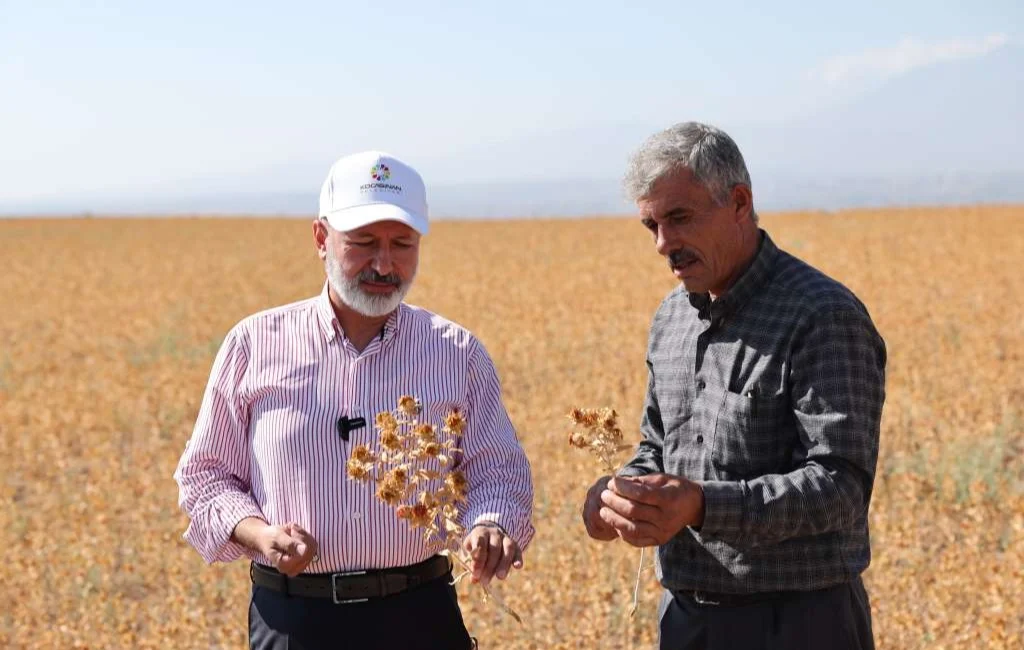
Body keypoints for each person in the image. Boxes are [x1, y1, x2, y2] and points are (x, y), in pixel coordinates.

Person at [174, 151, 534, 650]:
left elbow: (498, 470)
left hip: (420, 616)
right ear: (321, 239)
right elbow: (205, 477)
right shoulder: (254, 344)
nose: (384, 263)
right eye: (363, 243)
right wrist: (259, 535)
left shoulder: (457, 352)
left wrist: (491, 524)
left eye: (402, 244)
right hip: (293, 621)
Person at [581, 122, 885, 650]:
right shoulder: (672, 319)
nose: (662, 244)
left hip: (799, 623)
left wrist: (700, 505)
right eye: (651, 224)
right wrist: (618, 496)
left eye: (678, 218)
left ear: (739, 201)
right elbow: (657, 447)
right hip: (687, 619)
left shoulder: (822, 316)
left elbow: (841, 489)